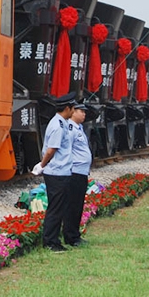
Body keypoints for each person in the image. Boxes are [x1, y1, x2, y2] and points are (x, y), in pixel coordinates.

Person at [32, 91, 75, 253]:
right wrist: (42, 165)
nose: (74, 111)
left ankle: (54, 239)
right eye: (73, 108)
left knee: (59, 207)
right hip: (56, 173)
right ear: (67, 108)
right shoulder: (57, 126)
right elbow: (51, 150)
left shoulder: (61, 122)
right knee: (55, 208)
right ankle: (50, 241)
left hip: (62, 172)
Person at [64, 102, 92, 247]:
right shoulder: (70, 129)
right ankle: (71, 237)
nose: (84, 114)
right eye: (81, 111)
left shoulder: (79, 127)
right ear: (73, 112)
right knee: (73, 206)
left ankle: (74, 234)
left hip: (81, 172)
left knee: (78, 205)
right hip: (74, 172)